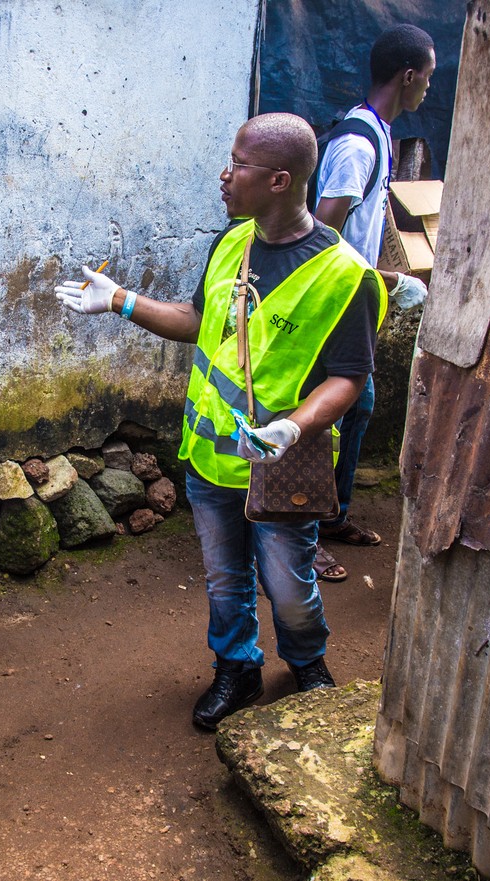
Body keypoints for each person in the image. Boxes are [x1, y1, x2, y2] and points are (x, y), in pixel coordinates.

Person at [54, 113, 386, 730]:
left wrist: (291, 428)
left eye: (238, 164)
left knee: (288, 583)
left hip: (285, 464)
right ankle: (236, 669)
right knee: (225, 578)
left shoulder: (347, 278)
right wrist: (121, 301)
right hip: (210, 460)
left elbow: (349, 379)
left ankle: (306, 663)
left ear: (281, 179)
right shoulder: (231, 241)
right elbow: (197, 320)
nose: (224, 175)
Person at [309, 23, 435, 582]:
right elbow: (321, 232)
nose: (428, 89)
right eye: (427, 78)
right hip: (330, 303)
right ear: (408, 76)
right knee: (325, 417)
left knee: (358, 408)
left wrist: (380, 276)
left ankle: (331, 517)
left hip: (354, 298)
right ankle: (303, 532)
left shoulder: (379, 135)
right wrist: (361, 282)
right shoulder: (357, 145)